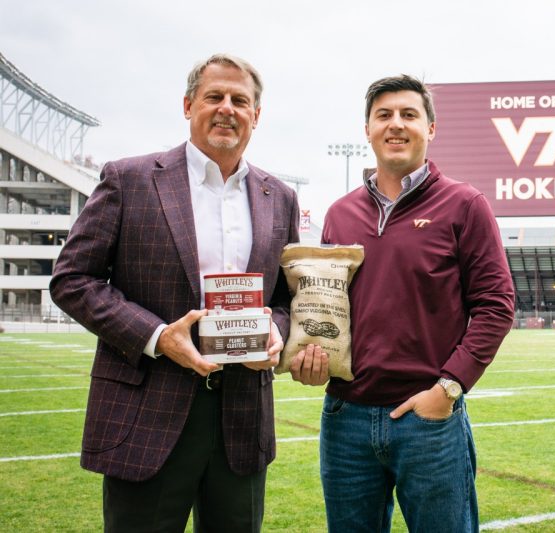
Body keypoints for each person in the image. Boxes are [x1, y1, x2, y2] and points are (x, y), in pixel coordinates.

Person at [49, 53, 299, 532]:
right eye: (214, 97)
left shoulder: (280, 196)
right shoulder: (130, 179)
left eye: (240, 100)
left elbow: (287, 299)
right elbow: (72, 279)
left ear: (256, 116)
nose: (227, 108)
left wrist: (276, 330)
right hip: (149, 409)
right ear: (188, 105)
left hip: (242, 418)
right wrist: (159, 335)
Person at [290, 75, 515, 532]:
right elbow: (328, 310)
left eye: (409, 115)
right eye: (384, 115)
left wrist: (449, 389)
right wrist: (311, 357)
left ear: (431, 128)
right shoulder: (339, 213)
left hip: (429, 420)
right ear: (368, 129)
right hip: (345, 419)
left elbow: (497, 303)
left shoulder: (464, 204)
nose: (396, 124)